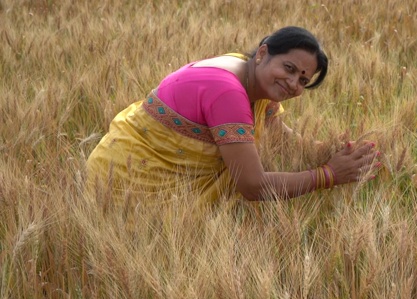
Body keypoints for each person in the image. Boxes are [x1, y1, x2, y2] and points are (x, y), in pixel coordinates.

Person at [85, 26, 380, 206]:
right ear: (263, 53)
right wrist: (328, 175)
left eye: (303, 81)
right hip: (129, 187)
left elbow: (279, 132)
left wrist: (329, 150)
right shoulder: (228, 91)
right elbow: (253, 185)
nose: (293, 84)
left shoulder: (248, 71)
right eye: (289, 69)